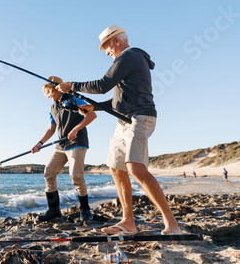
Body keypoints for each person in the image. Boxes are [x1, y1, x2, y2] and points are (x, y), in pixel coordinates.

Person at [57, 25, 182, 235]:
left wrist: (72, 86)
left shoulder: (129, 57)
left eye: (106, 46)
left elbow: (103, 85)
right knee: (115, 167)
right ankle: (128, 222)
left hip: (139, 118)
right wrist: (94, 107)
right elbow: (116, 100)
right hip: (123, 121)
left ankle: (172, 225)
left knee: (136, 168)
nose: (106, 52)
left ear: (115, 41)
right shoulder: (126, 61)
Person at [31, 76, 97, 222]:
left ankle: (85, 210)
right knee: (49, 172)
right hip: (61, 145)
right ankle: (54, 210)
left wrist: (75, 129)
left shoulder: (73, 98)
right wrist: (39, 143)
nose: (47, 95)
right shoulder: (53, 107)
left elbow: (92, 114)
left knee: (76, 176)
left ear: (55, 89)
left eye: (48, 91)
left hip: (77, 143)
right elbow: (51, 129)